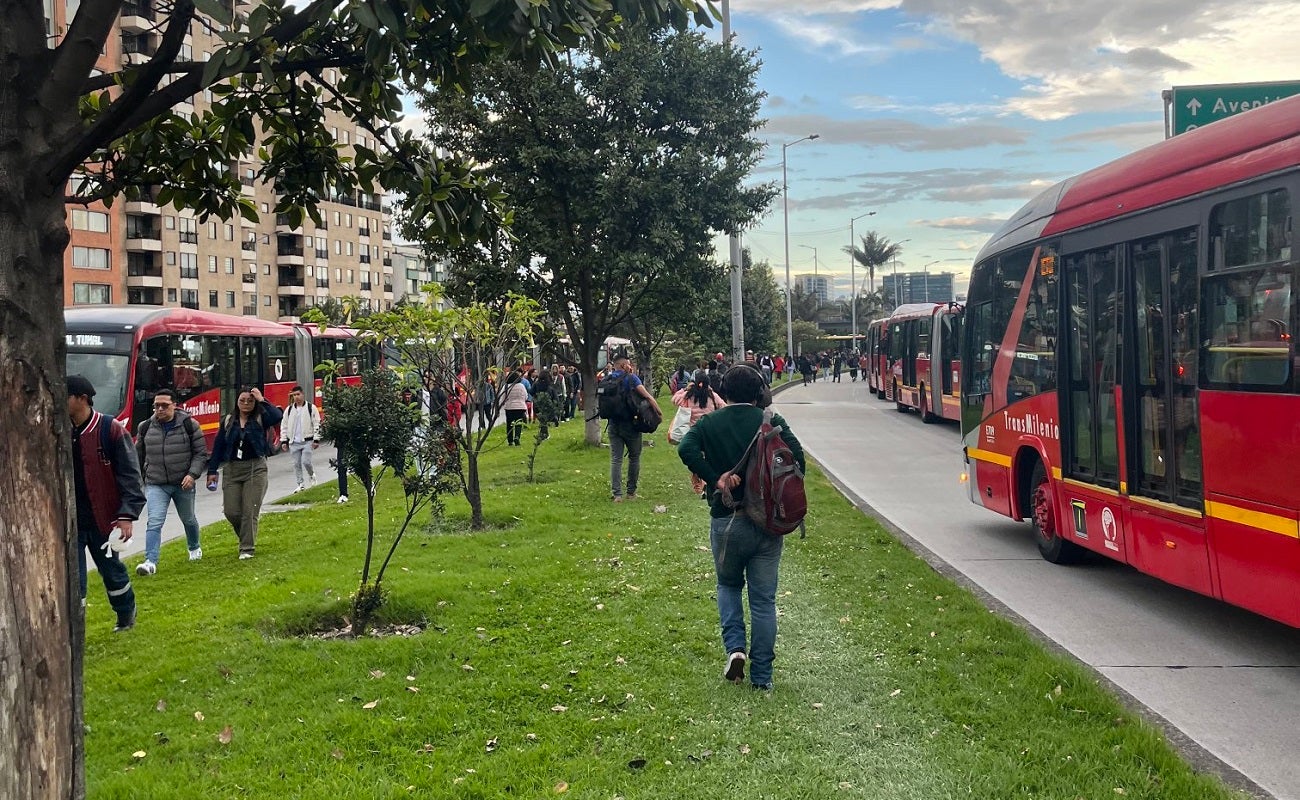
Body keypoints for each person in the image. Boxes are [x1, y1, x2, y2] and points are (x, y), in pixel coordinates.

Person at [676, 364, 805, 691]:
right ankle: (763, 677)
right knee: (763, 601)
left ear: (726, 392)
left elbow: (684, 447)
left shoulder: (709, 423)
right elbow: (799, 459)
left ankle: (735, 648)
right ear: (759, 392)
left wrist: (715, 476)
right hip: (767, 522)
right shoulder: (771, 422)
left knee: (728, 586)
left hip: (726, 518)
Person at [68, 375, 145, 632]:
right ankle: (74, 631)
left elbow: (131, 476)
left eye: (66, 396)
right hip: (70, 522)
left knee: (112, 573)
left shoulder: (110, 429)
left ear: (82, 399)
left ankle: (125, 615)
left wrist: (126, 516)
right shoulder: (59, 430)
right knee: (72, 580)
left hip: (105, 521)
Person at [134, 388, 208, 575]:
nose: (160, 409)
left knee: (188, 519)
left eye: (164, 405)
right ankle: (150, 562)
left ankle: (194, 547)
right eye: (156, 406)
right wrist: (140, 479)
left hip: (183, 482)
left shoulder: (190, 425)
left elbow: (200, 454)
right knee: (154, 521)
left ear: (175, 405)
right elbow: (138, 455)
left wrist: (192, 475)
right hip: (156, 483)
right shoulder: (145, 427)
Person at [206, 387, 283, 560]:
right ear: (236, 401)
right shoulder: (228, 420)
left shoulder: (261, 417)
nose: (246, 404)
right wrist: (212, 470)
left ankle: (247, 548)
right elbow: (218, 446)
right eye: (242, 400)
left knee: (250, 510)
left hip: (255, 468)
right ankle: (246, 535)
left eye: (250, 401)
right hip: (232, 469)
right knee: (231, 511)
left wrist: (262, 399)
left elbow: (277, 416)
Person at [605, 351, 662, 502]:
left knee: (616, 459)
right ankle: (631, 493)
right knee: (634, 457)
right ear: (623, 365)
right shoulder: (631, 379)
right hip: (631, 424)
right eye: (628, 364)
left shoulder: (607, 379)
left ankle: (617, 494)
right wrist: (658, 412)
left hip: (613, 424)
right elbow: (647, 396)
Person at [671, 369, 725, 495]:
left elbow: (675, 400)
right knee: (708, 457)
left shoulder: (688, 395)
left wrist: (684, 389)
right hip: (710, 431)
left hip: (693, 432)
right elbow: (723, 406)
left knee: (696, 458)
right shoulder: (712, 395)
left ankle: (698, 485)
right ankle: (706, 482)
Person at [280, 384, 321, 492]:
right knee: (296, 464)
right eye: (294, 395)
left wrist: (316, 439)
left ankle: (312, 475)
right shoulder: (289, 410)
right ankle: (300, 484)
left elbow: (316, 423)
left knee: (306, 462)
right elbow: (284, 425)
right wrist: (284, 440)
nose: (296, 397)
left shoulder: (311, 408)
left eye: (298, 394)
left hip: (307, 440)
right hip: (294, 442)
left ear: (302, 395)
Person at [501, 371, 529, 446]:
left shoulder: (506, 386)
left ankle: (510, 441)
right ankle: (517, 437)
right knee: (518, 423)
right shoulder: (521, 386)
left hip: (509, 407)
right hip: (520, 407)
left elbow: (502, 397)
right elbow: (526, 396)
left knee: (509, 424)